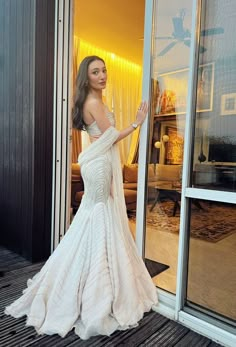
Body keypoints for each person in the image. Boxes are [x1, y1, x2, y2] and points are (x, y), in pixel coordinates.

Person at [5, 55, 158, 340]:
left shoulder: (92, 101)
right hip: (99, 165)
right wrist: (137, 124)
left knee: (94, 215)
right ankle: (95, 286)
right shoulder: (94, 102)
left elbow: (103, 137)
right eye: (95, 72)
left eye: (104, 70)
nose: (102, 75)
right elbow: (110, 137)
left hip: (97, 163)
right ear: (86, 77)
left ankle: (91, 277)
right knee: (97, 215)